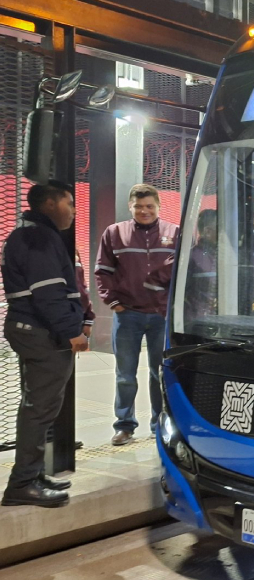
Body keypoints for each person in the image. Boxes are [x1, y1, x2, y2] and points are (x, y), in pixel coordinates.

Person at [1, 183, 89, 508]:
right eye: (69, 202)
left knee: (37, 406)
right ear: (50, 204)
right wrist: (72, 331)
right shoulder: (38, 237)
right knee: (40, 409)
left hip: (31, 330)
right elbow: (48, 292)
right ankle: (23, 484)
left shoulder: (30, 234)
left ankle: (33, 474)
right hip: (41, 333)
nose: (74, 210)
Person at [95, 184, 179, 446]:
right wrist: (112, 301)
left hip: (161, 316)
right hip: (127, 315)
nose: (144, 211)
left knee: (159, 373)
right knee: (125, 375)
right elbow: (102, 271)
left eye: (149, 206)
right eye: (139, 206)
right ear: (130, 207)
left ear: (158, 206)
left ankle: (159, 423)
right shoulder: (114, 233)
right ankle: (124, 425)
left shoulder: (174, 233)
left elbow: (184, 272)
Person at [184, 209, 218, 319]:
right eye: (221, 229)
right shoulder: (191, 257)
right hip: (198, 320)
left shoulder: (226, 257)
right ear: (208, 232)